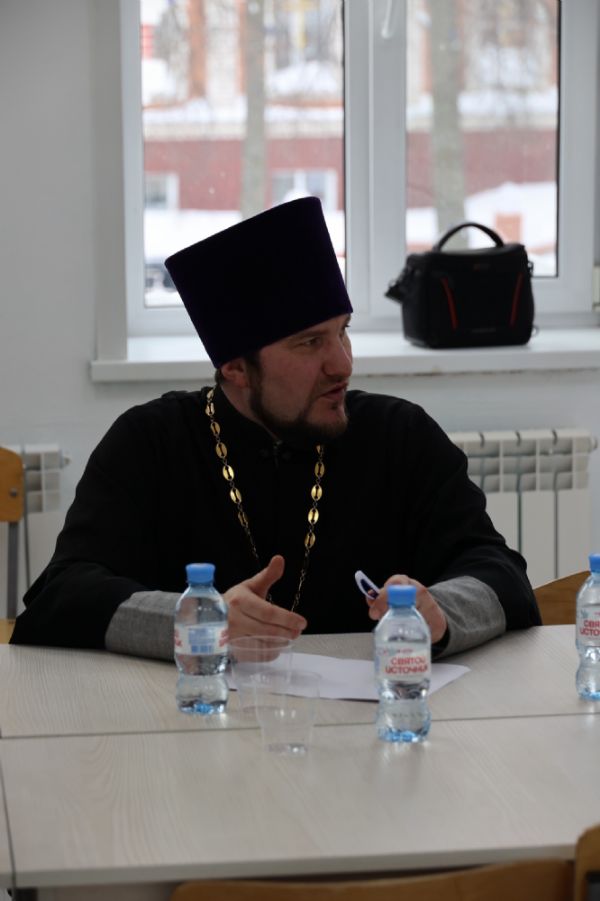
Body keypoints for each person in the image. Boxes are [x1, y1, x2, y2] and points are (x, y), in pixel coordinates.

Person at [11, 198, 540, 659]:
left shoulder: (400, 435)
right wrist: (197, 621)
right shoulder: (150, 442)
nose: (342, 364)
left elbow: (502, 576)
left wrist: (441, 612)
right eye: (310, 343)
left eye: (343, 332)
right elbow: (60, 598)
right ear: (235, 369)